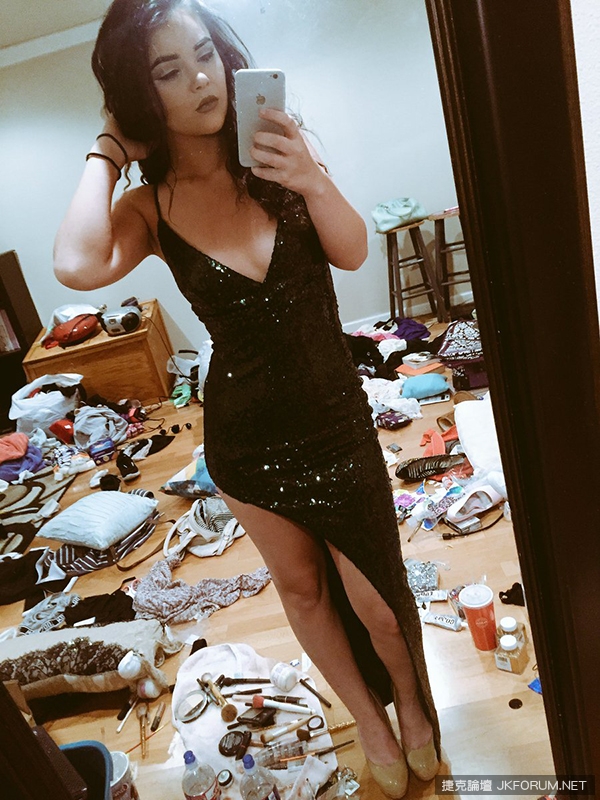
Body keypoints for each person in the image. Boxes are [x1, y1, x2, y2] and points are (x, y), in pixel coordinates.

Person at [54, 1, 440, 795]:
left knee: (378, 601)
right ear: (140, 95)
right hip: (247, 442)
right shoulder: (149, 208)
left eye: (204, 54)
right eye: (168, 71)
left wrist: (308, 176)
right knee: (301, 590)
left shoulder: (278, 150)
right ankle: (371, 723)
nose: (201, 79)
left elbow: (352, 249)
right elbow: (76, 265)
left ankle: (413, 706)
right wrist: (108, 149)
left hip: (336, 420)